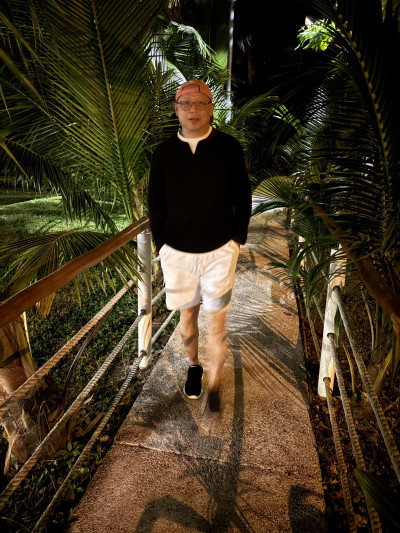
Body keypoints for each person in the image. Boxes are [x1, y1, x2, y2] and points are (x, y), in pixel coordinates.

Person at [148, 79, 251, 412]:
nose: (193, 110)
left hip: (220, 250)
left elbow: (243, 195)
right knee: (187, 321)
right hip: (178, 254)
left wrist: (237, 238)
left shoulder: (229, 147)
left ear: (211, 108)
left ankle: (215, 383)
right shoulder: (163, 154)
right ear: (176, 110)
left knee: (216, 321)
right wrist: (162, 246)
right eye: (186, 103)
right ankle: (194, 365)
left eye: (201, 103)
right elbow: (155, 204)